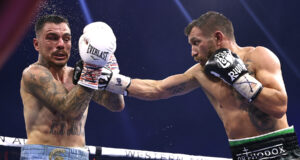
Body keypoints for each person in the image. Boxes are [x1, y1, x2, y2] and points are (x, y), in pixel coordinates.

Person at [88, 11, 300, 159]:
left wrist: (237, 76)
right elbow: (158, 89)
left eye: (196, 43)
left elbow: (279, 107)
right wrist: (107, 80)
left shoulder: (259, 56)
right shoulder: (200, 72)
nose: (192, 52)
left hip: (280, 150)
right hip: (241, 153)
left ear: (218, 37)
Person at [20, 14, 124, 160]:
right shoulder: (33, 74)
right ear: (37, 44)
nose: (61, 44)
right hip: (41, 155)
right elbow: (69, 110)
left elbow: (115, 104)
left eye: (66, 39)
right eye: (53, 37)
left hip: (79, 154)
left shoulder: (78, 76)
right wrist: (93, 68)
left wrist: (109, 66)